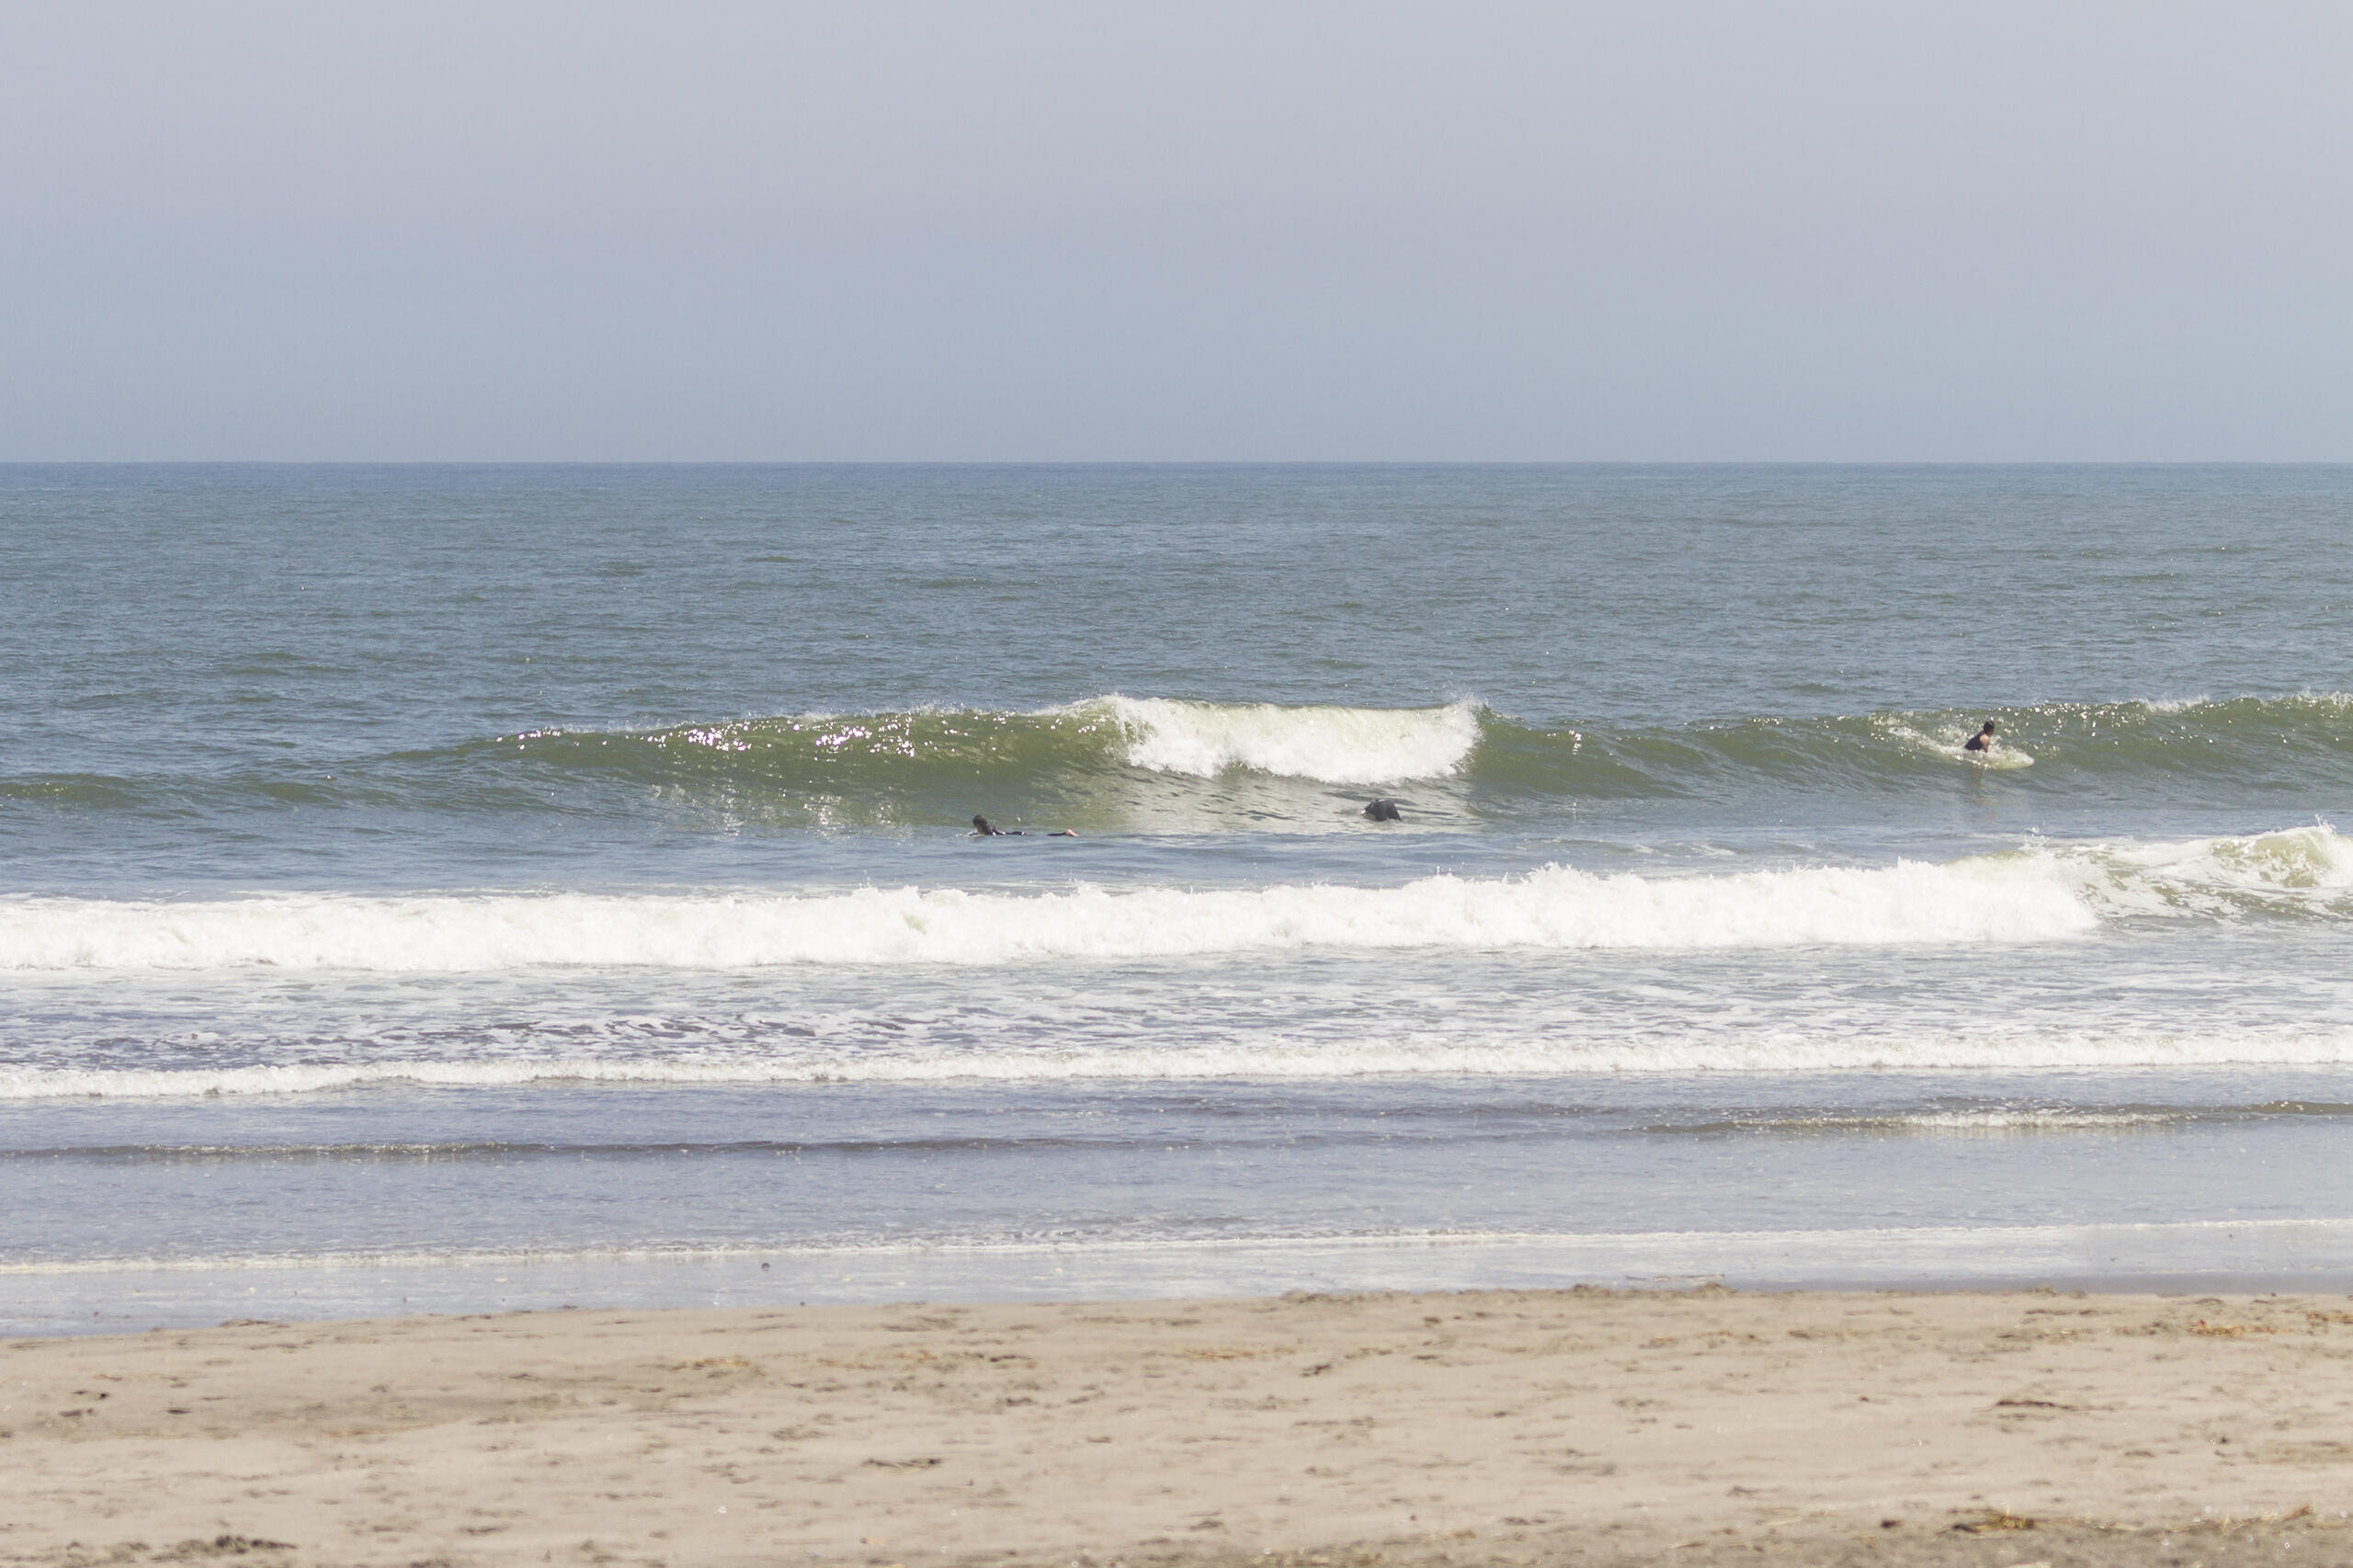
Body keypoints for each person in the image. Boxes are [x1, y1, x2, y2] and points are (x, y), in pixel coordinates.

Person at [972, 815, 1075, 837]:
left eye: (976, 826)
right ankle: (1065, 833)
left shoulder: (991, 833)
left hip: (1019, 835)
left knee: (1044, 836)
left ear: (979, 825)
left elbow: (993, 836)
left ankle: (1065, 833)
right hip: (1017, 834)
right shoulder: (990, 830)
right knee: (1043, 836)